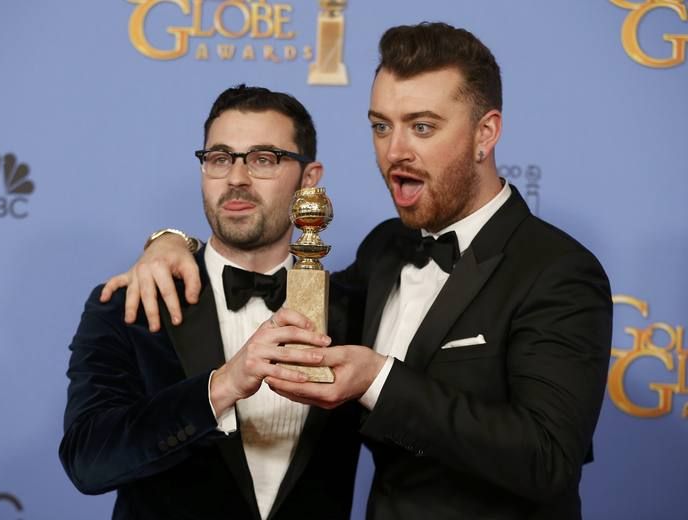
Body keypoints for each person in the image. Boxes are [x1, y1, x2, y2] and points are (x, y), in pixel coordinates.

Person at [103, 23, 613, 520]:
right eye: (381, 126)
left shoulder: (558, 271)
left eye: (422, 126)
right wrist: (171, 242)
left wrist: (378, 380)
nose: (395, 152)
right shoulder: (386, 249)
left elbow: (549, 460)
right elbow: (279, 281)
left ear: (486, 133)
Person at [59, 85, 363, 520]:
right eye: (220, 158)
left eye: (263, 158)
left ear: (308, 178)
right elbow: (88, 462)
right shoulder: (134, 303)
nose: (236, 178)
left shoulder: (357, 306)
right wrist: (220, 388)